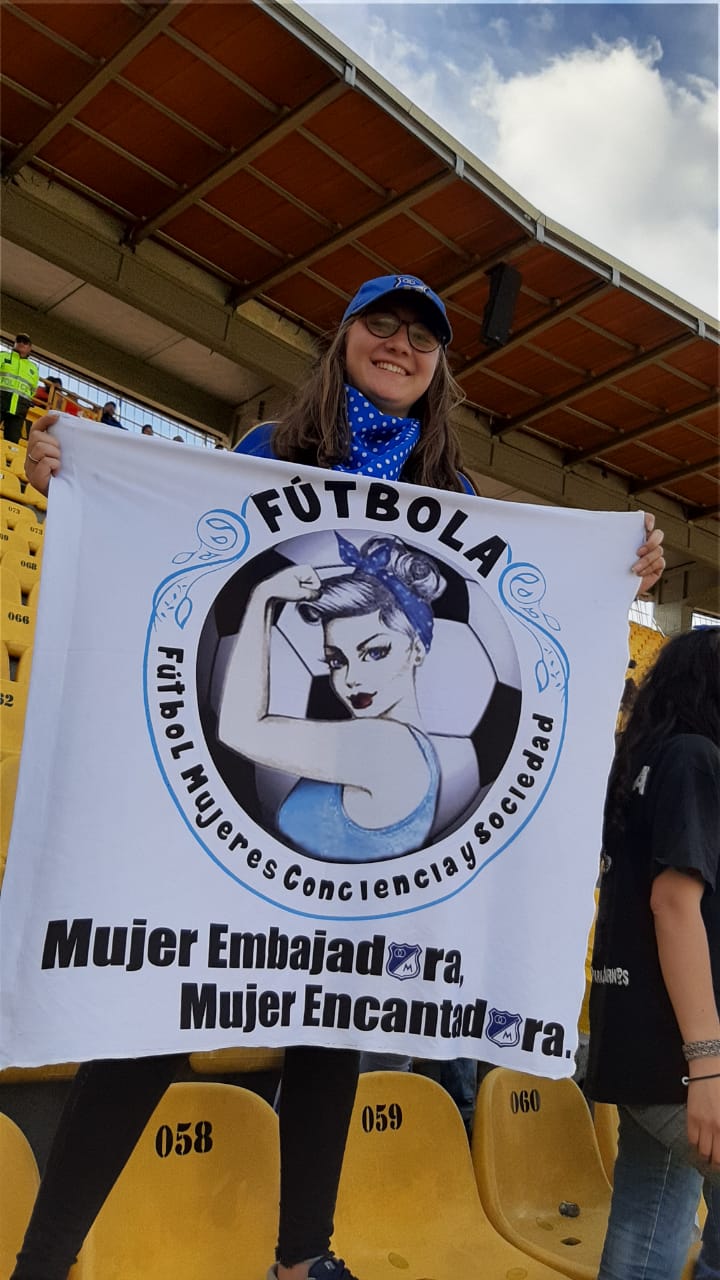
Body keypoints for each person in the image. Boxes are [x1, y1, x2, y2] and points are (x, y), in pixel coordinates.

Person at [19, 272, 666, 1280]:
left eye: (424, 337)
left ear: (441, 365)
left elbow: (534, 603)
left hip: (352, 805)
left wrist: (621, 568)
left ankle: (301, 1255)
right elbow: (168, 549)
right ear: (344, 338)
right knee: (154, 1020)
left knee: (336, 1021)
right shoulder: (265, 454)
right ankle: (44, 1260)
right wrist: (79, 472)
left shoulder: (451, 496)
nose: (402, 345)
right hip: (239, 790)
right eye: (383, 324)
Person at [586, 628, 720, 1280]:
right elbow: (674, 904)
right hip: (680, 1057)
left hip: (638, 1043)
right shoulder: (695, 758)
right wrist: (709, 1068)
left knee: (649, 1218)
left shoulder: (642, 765)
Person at [219, 534, 444, 862]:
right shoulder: (406, 746)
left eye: (375, 652)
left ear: (417, 650)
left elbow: (239, 729)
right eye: (337, 660)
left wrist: (262, 598)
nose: (352, 679)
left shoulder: (389, 745)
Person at [0, 333, 39, 443]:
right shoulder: (3, 356)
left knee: (12, 442)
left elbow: (33, 390)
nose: (21, 343)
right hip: (1, 400)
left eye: (25, 342)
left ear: (30, 348)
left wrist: (25, 402)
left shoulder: (33, 368)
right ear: (15, 343)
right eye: (19, 341)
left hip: (19, 409)